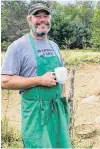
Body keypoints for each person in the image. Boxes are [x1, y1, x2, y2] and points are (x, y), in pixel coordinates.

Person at [1, 3, 72, 148]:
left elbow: (61, 75)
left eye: (46, 16)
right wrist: (40, 80)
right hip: (35, 113)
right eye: (37, 16)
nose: (42, 20)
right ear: (29, 20)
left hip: (57, 108)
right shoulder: (18, 46)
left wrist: (64, 104)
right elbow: (4, 81)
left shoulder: (54, 46)